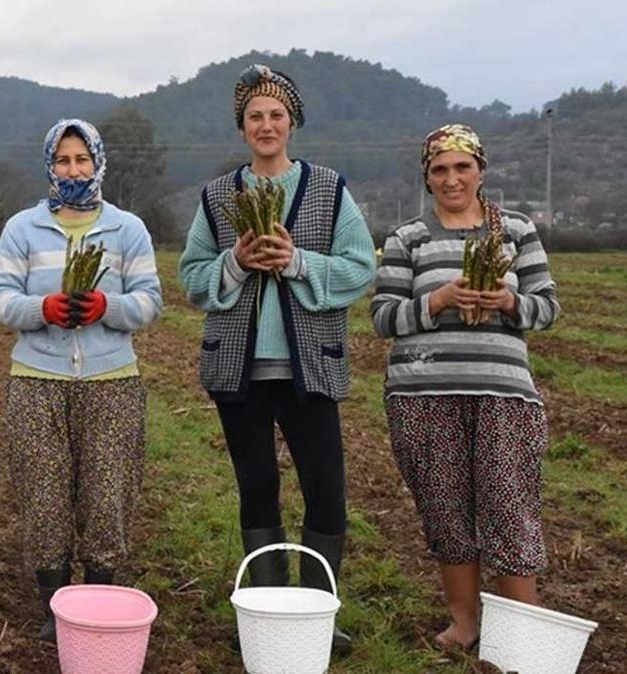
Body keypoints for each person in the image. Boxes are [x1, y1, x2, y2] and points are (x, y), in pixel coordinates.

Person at [177, 64, 376, 654]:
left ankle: (317, 615)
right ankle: (266, 614)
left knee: (325, 488)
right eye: (255, 117)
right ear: (242, 129)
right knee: (256, 487)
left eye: (276, 115)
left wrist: (297, 262)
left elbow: (360, 266)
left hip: (308, 367)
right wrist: (234, 263)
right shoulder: (218, 197)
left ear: (292, 123)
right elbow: (190, 277)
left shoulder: (328, 189)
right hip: (238, 370)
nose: (266, 125)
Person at [371, 124, 559, 650]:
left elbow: (547, 307)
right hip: (422, 392)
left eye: (461, 167)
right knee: (445, 506)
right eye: (439, 169)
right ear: (427, 178)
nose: (451, 179)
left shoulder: (516, 231)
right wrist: (439, 300)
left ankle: (521, 630)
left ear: (480, 170)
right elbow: (383, 317)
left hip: (503, 393)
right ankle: (465, 621)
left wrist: (507, 303)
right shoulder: (407, 237)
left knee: (508, 504)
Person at [0, 118, 162, 643]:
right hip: (36, 378)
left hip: (112, 379)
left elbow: (151, 301)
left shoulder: (127, 228)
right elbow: (0, 300)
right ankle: (54, 602)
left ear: (98, 162)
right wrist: (44, 307)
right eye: (63, 160)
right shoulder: (22, 228)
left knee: (106, 494)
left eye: (82, 159)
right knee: (44, 493)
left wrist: (108, 306)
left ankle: (100, 596)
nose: (73, 170)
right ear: (49, 165)